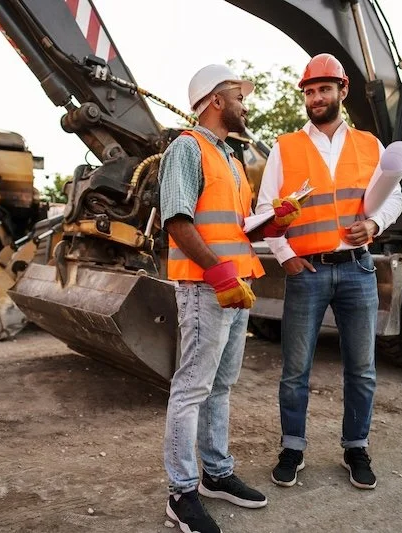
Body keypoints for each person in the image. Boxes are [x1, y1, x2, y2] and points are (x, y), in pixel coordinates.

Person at [159, 64, 301, 533]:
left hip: (236, 286)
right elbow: (178, 223)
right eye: (239, 97)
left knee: (220, 386)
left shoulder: (232, 161)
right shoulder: (186, 149)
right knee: (191, 389)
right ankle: (181, 493)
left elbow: (239, 228)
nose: (246, 105)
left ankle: (216, 475)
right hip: (207, 286)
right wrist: (217, 273)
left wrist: (275, 220)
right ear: (217, 100)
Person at [255, 53, 402, 491]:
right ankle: (292, 449)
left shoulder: (370, 145)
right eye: (310, 91)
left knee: (362, 369)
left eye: (324, 89)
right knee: (295, 370)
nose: (316, 98)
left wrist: (375, 224)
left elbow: (393, 197)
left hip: (358, 270)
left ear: (342, 91)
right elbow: (265, 210)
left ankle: (356, 448)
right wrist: (285, 256)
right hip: (307, 272)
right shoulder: (285, 147)